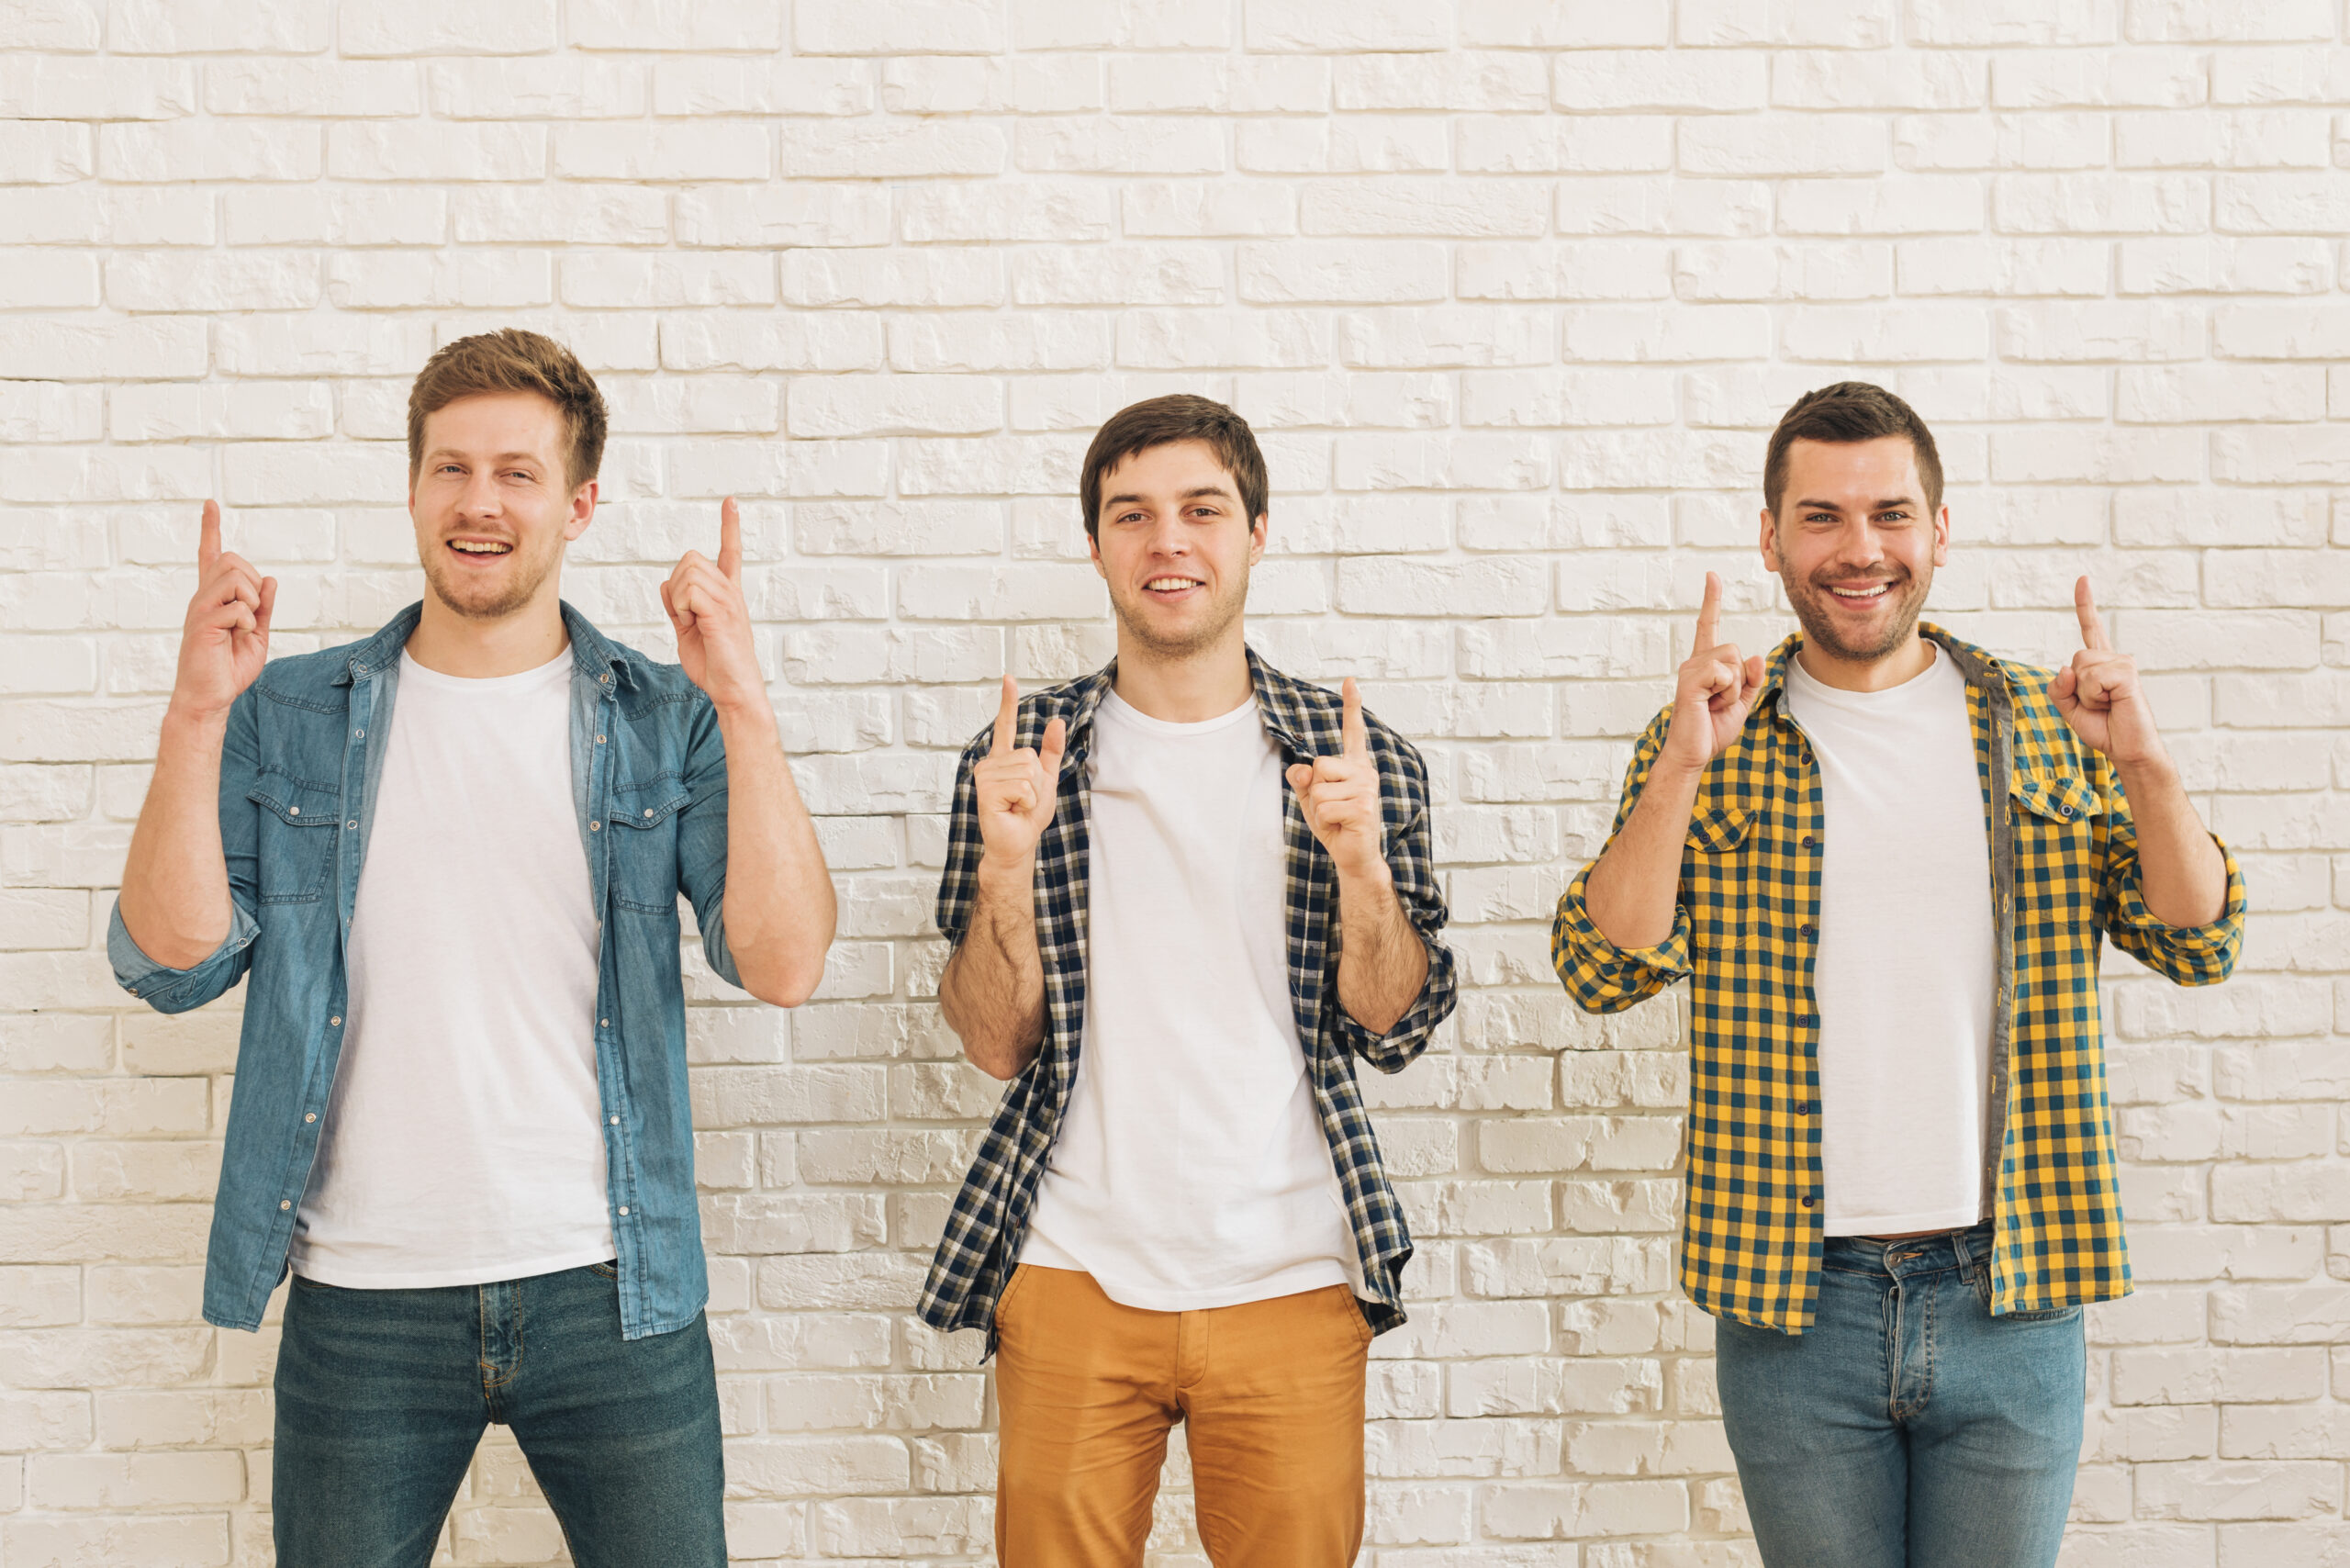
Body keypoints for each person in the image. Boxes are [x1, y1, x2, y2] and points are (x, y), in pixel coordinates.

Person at [108, 329, 835, 1568]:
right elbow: (173, 961)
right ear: (412, 490)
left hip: (614, 1285)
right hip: (363, 1295)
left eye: (516, 472)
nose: (479, 502)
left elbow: (780, 963)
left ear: (580, 503)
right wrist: (194, 717)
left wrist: (745, 707)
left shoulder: (663, 718)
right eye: (450, 469)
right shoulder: (285, 713)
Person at [1551, 382, 2244, 1568]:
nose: (1859, 550)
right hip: (1793, 1304)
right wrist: (1675, 772)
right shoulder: (1715, 742)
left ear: (1940, 531)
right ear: (1769, 539)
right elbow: (1602, 967)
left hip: (2013, 1292)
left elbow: (2198, 940)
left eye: (1889, 514)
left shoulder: (2037, 717)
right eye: (1821, 518)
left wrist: (2148, 770)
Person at [916, 394, 1457, 1566]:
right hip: (1068, 1272)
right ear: (1098, 544)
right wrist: (1005, 872)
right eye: (1133, 514)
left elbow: (1397, 1019)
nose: (1168, 541)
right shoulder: (1020, 755)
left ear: (1255, 532)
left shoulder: (1352, 752)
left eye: (1201, 510)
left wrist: (1361, 870)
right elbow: (993, 1040)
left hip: (1294, 1275)